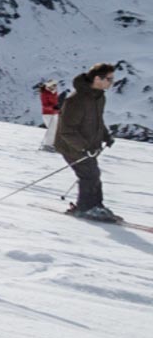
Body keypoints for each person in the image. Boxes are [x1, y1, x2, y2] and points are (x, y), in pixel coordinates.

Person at [54, 63, 117, 221]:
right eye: (109, 79)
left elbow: (97, 121)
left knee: (93, 174)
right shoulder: (76, 100)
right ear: (97, 78)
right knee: (89, 175)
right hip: (71, 146)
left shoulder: (99, 97)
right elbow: (66, 130)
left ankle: (96, 206)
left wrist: (106, 136)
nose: (111, 83)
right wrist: (84, 147)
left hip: (89, 146)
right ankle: (85, 208)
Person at [38, 79, 60, 151]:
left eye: (55, 85)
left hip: (54, 114)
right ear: (49, 85)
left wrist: (57, 108)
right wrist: (53, 108)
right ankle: (47, 145)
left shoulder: (54, 93)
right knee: (52, 129)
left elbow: (55, 103)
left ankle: (53, 144)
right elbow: (44, 105)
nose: (55, 86)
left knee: (56, 129)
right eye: (53, 85)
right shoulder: (45, 93)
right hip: (47, 114)